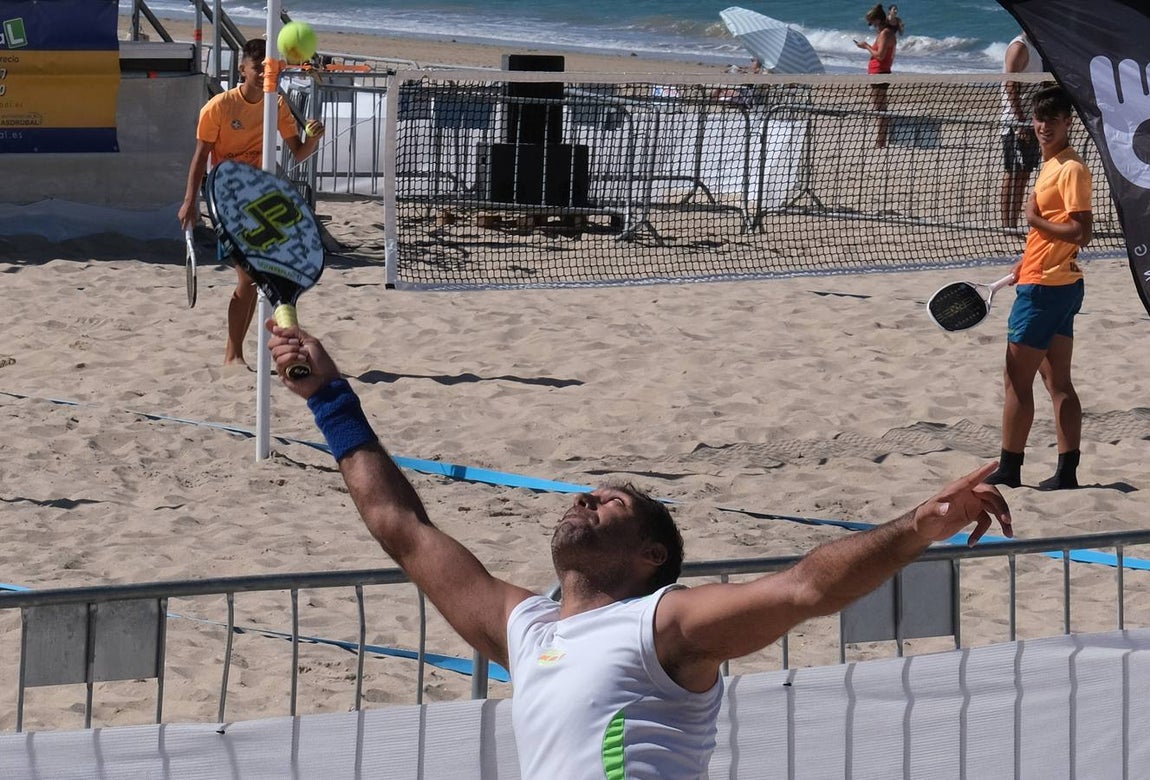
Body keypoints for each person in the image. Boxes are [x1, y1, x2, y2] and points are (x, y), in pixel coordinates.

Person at [265, 321, 1013, 778]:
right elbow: (401, 528)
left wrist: (916, 526)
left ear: (651, 554)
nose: (583, 499)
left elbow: (804, 590)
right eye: (585, 494)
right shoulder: (524, 628)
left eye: (610, 500)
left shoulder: (664, 627)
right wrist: (330, 399)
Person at [178, 37, 325, 368]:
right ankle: (234, 355)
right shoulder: (219, 106)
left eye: (268, 69)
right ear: (243, 68)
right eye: (257, 68)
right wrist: (190, 202)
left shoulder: (277, 105)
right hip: (227, 195)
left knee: (259, 280)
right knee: (247, 278)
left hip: (262, 197)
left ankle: (250, 355)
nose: (262, 74)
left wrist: (313, 139)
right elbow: (200, 157)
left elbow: (299, 152)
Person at [985, 86, 1091, 491]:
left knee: (1017, 380)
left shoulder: (1071, 168)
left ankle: (1009, 470)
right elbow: (1054, 235)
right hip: (1054, 283)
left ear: (1068, 121)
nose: (1043, 126)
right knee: (1057, 382)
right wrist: (1026, 258)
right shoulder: (1052, 163)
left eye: (1052, 118)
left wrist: (1034, 221)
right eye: (1038, 118)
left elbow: (1082, 232)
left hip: (1046, 291)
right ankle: (1067, 474)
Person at [1000, 32, 1045, 231]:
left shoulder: (1038, 46)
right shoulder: (1019, 46)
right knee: (1013, 173)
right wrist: (1020, 121)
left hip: (1032, 120)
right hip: (1016, 123)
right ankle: (1007, 224)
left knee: (1025, 173)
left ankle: (1013, 222)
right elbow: (1010, 84)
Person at [854, 4, 904, 148]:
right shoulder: (887, 33)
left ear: (877, 20)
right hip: (878, 73)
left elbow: (881, 56)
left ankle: (880, 141)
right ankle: (880, 140)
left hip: (880, 74)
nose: (871, 26)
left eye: (871, 22)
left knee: (881, 109)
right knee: (879, 108)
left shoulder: (885, 34)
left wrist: (866, 46)